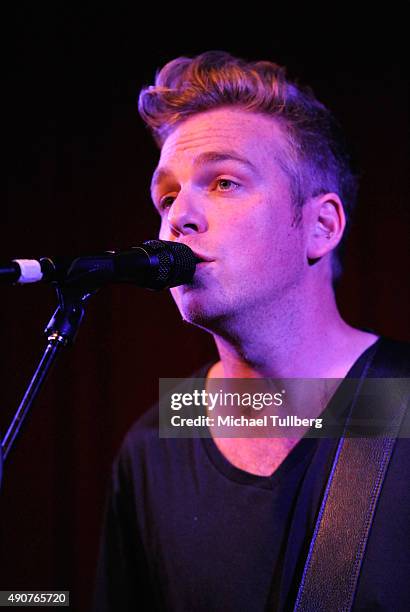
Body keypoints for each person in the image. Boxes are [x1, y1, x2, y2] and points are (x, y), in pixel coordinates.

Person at [93, 51, 410, 611]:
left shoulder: (401, 398)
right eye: (167, 196)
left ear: (321, 226)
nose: (178, 216)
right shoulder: (158, 439)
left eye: (223, 182)